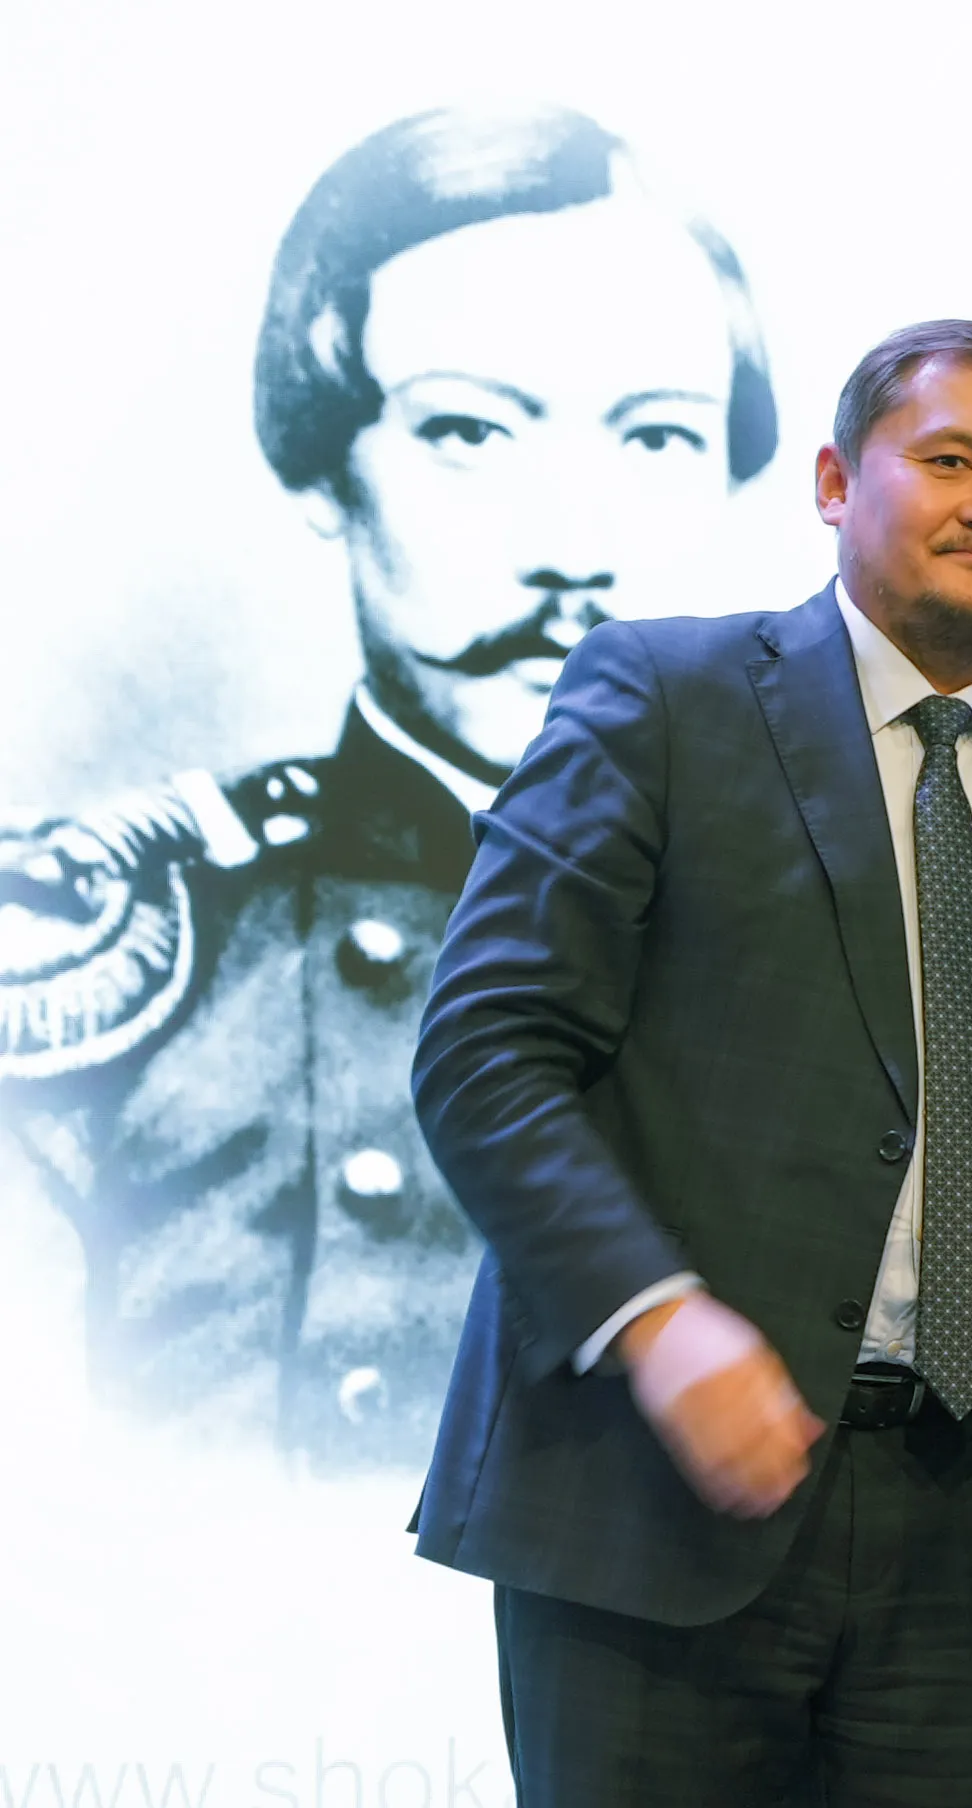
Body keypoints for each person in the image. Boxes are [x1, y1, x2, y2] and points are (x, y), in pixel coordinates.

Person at [410, 320, 972, 1806]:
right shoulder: (663, 698)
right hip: (659, 1487)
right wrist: (658, 1323)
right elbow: (488, 1049)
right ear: (836, 481)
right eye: (951, 460)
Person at [0, 104, 775, 1465]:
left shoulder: (828, 907)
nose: (572, 545)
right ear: (321, 464)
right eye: (469, 432)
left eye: (654, 440)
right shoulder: (110, 939)